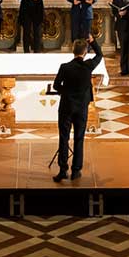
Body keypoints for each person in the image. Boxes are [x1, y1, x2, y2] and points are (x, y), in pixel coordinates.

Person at [51, 39, 95, 180]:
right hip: (81, 107)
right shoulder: (89, 66)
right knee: (79, 138)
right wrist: (93, 42)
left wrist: (66, 92)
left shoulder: (65, 67)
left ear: (73, 50)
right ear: (85, 52)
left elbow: (56, 85)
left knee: (64, 138)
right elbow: (100, 55)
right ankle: (76, 171)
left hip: (67, 106)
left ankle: (63, 170)